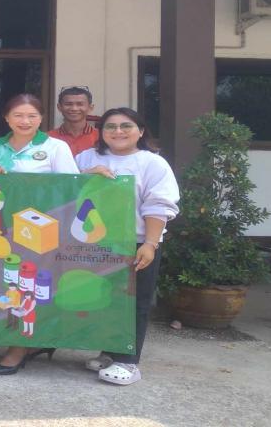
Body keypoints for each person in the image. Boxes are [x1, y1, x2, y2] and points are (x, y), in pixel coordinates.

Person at [76, 107, 179, 386]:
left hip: (136, 241)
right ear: (101, 132)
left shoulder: (152, 163)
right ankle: (110, 352)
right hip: (95, 242)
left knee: (134, 302)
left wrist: (150, 244)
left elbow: (159, 204)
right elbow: (67, 191)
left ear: (140, 131)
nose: (118, 131)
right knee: (106, 300)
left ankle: (129, 362)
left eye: (126, 126)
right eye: (110, 126)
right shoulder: (86, 157)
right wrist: (86, 175)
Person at [0, 93, 78, 375]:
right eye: (18, 115)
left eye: (32, 116)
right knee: (4, 283)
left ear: (41, 118)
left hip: (39, 229)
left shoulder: (55, 147)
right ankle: (16, 339)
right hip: (1, 228)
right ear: (6, 118)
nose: (25, 121)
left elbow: (70, 188)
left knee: (30, 284)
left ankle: (19, 346)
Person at [47, 86, 99, 157]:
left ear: (90, 108)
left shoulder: (101, 137)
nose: (74, 108)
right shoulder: (48, 138)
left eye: (80, 104)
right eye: (68, 104)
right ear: (59, 107)